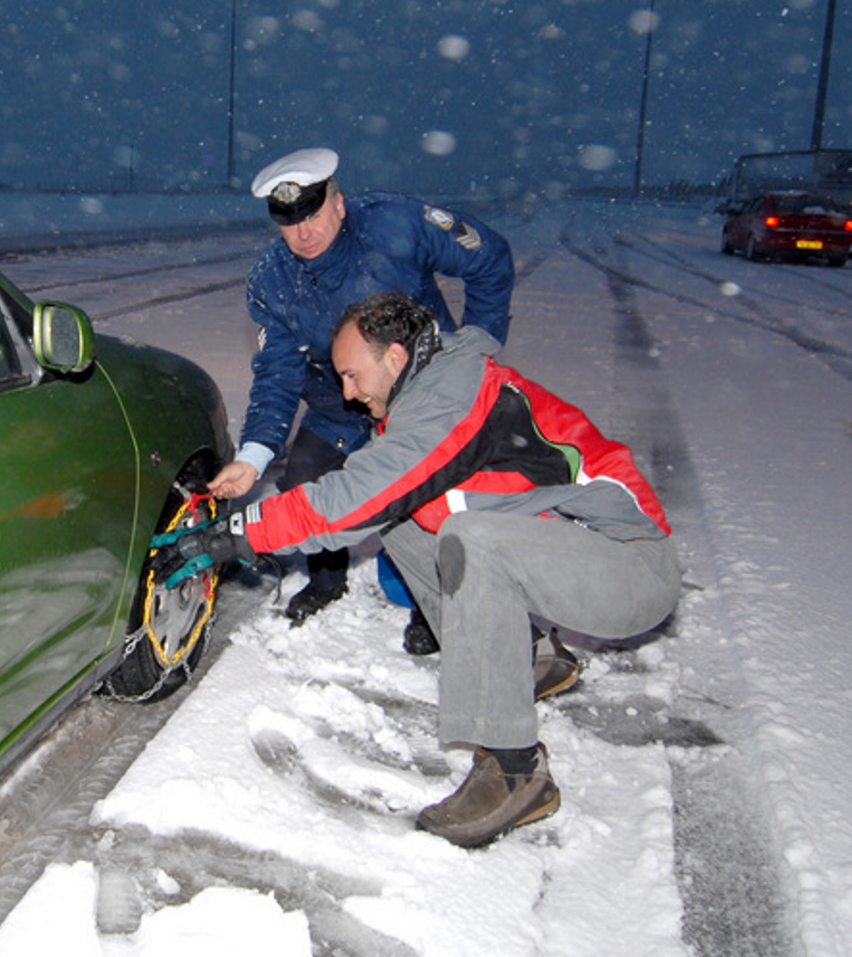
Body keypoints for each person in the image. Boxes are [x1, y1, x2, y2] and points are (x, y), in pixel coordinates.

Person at [181, 292, 679, 848]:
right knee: (411, 520)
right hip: (571, 555)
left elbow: (355, 498)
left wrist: (242, 530)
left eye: (351, 374)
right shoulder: (426, 394)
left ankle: (516, 772)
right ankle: (530, 656)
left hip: (629, 568)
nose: (347, 393)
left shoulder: (450, 399)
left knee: (469, 538)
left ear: (395, 358)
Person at [207, 147, 514, 650]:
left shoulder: (397, 224)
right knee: (304, 481)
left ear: (339, 203)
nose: (304, 233)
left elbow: (490, 256)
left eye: (314, 214)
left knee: (424, 500)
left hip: (419, 396)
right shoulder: (270, 282)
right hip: (337, 406)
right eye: (290, 223)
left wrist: (478, 343)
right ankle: (327, 580)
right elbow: (278, 373)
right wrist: (254, 455)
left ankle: (429, 601)